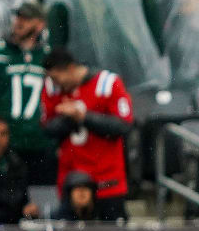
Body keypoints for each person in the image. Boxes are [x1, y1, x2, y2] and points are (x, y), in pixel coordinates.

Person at [41, 47, 132, 220]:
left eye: (56, 77)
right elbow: (47, 128)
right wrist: (67, 119)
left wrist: (83, 117)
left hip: (107, 180)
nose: (55, 83)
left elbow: (123, 125)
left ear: (70, 68)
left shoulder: (107, 84)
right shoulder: (52, 88)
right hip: (71, 180)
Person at [0, 0, 52, 189]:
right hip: (3, 143)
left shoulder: (49, 55)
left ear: (40, 24)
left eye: (27, 18)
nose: (19, 22)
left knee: (40, 197)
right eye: (18, 17)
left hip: (39, 142)